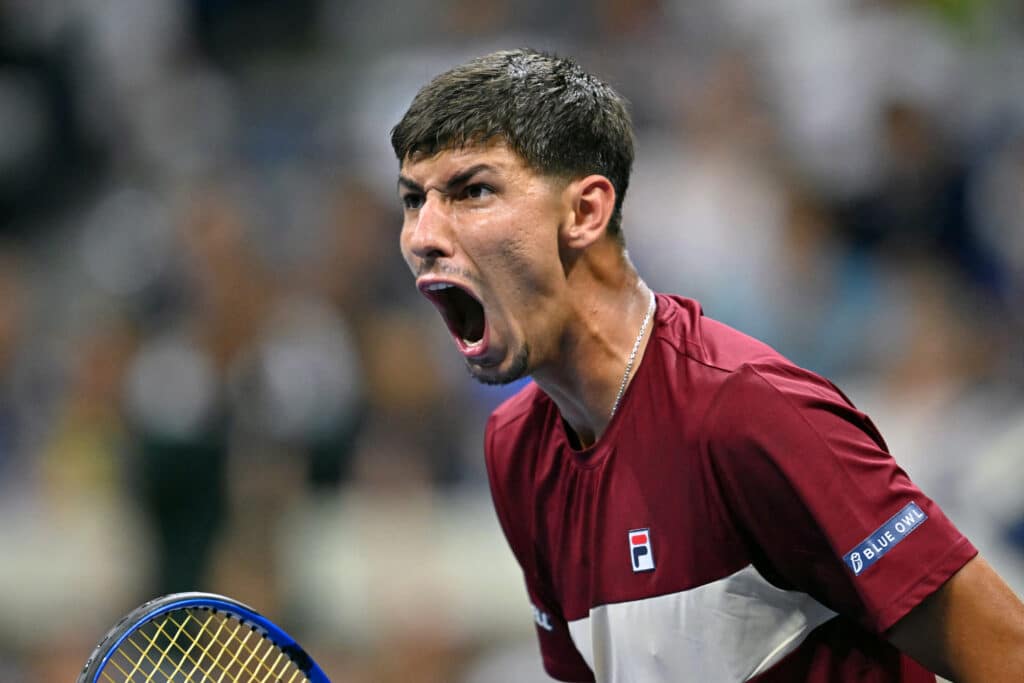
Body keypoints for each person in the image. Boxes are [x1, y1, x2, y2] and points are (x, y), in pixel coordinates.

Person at [390, 48, 1024, 682]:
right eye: (414, 199)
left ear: (585, 212)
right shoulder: (515, 449)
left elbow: (1007, 656)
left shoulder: (750, 412)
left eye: (472, 190)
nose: (422, 234)